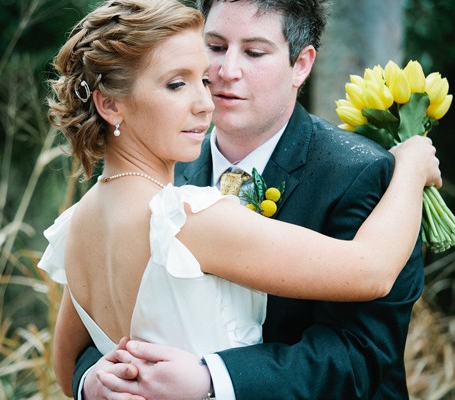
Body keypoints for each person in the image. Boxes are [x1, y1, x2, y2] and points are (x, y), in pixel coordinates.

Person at [41, 0, 441, 399]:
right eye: (212, 50)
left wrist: (96, 383)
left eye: (253, 52)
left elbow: (365, 356)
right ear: (109, 103)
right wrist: (413, 164)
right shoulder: (183, 212)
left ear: (301, 64)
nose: (215, 85)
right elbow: (370, 269)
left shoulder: (79, 218)